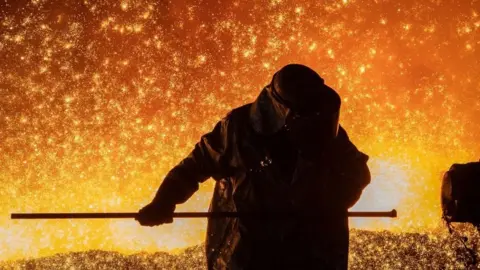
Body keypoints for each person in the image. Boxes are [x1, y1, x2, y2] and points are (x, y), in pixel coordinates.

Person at [136, 64, 371, 270]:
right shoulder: (237, 131)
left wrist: (324, 205)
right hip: (248, 254)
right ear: (284, 112)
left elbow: (358, 174)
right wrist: (164, 201)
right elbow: (194, 167)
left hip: (311, 255)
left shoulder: (327, 133)